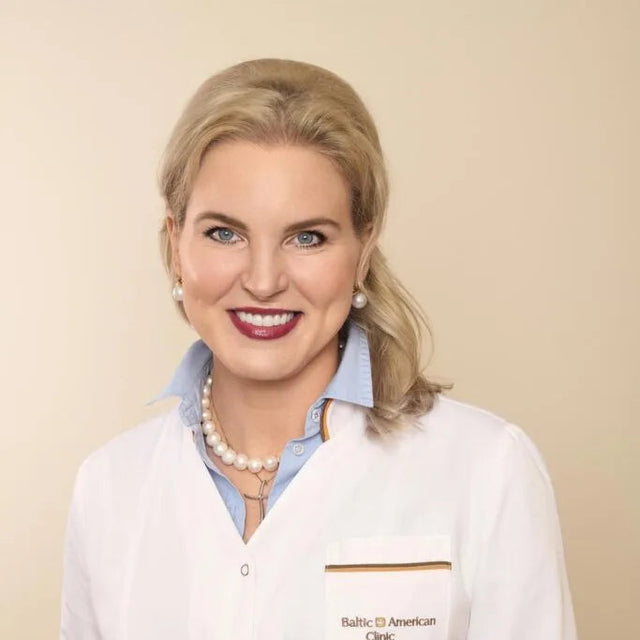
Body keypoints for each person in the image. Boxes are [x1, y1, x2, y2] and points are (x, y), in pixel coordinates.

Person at [60, 58, 577, 640]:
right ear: (177, 244)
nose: (263, 281)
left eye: (307, 237)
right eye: (224, 233)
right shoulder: (108, 489)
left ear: (362, 251)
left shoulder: (488, 471)